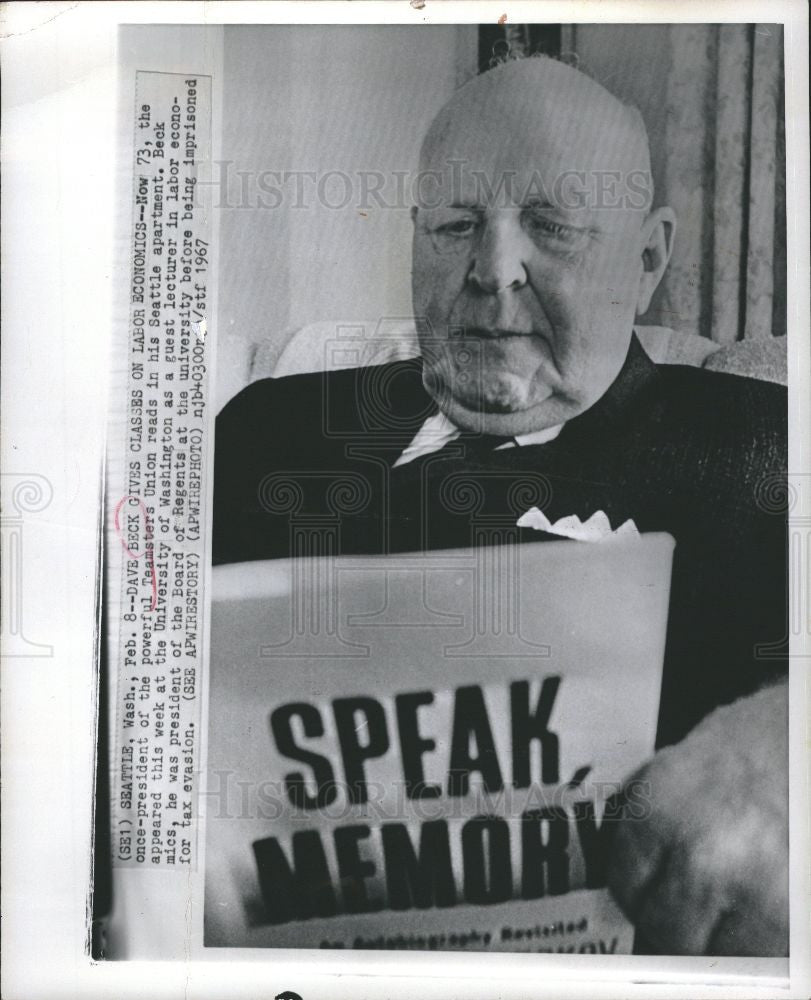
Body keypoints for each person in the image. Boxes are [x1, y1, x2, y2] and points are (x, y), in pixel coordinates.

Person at [213, 56, 788, 955]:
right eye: (452, 224)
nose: (492, 269)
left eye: (552, 227)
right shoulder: (268, 430)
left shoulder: (762, 446)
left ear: (645, 260)